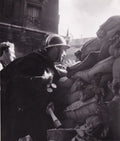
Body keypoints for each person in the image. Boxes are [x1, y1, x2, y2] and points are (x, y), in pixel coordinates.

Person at [1, 34, 70, 141]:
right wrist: (40, 80)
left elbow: (51, 81)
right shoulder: (34, 60)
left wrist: (50, 99)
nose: (64, 54)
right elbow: (16, 79)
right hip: (14, 107)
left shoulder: (46, 62)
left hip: (31, 109)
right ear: (56, 49)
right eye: (63, 50)